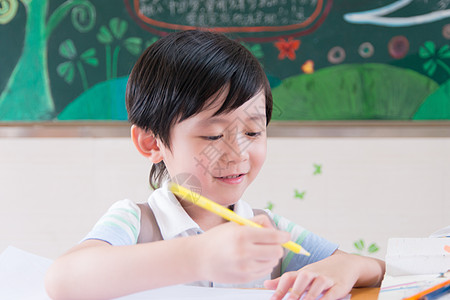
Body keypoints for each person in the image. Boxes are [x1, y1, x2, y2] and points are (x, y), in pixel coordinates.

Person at [45, 30, 385, 300]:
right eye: (212, 136)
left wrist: (345, 269)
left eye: (253, 131)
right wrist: (199, 255)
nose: (237, 152)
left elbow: (373, 267)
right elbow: (64, 279)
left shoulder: (264, 228)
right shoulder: (138, 222)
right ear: (152, 143)